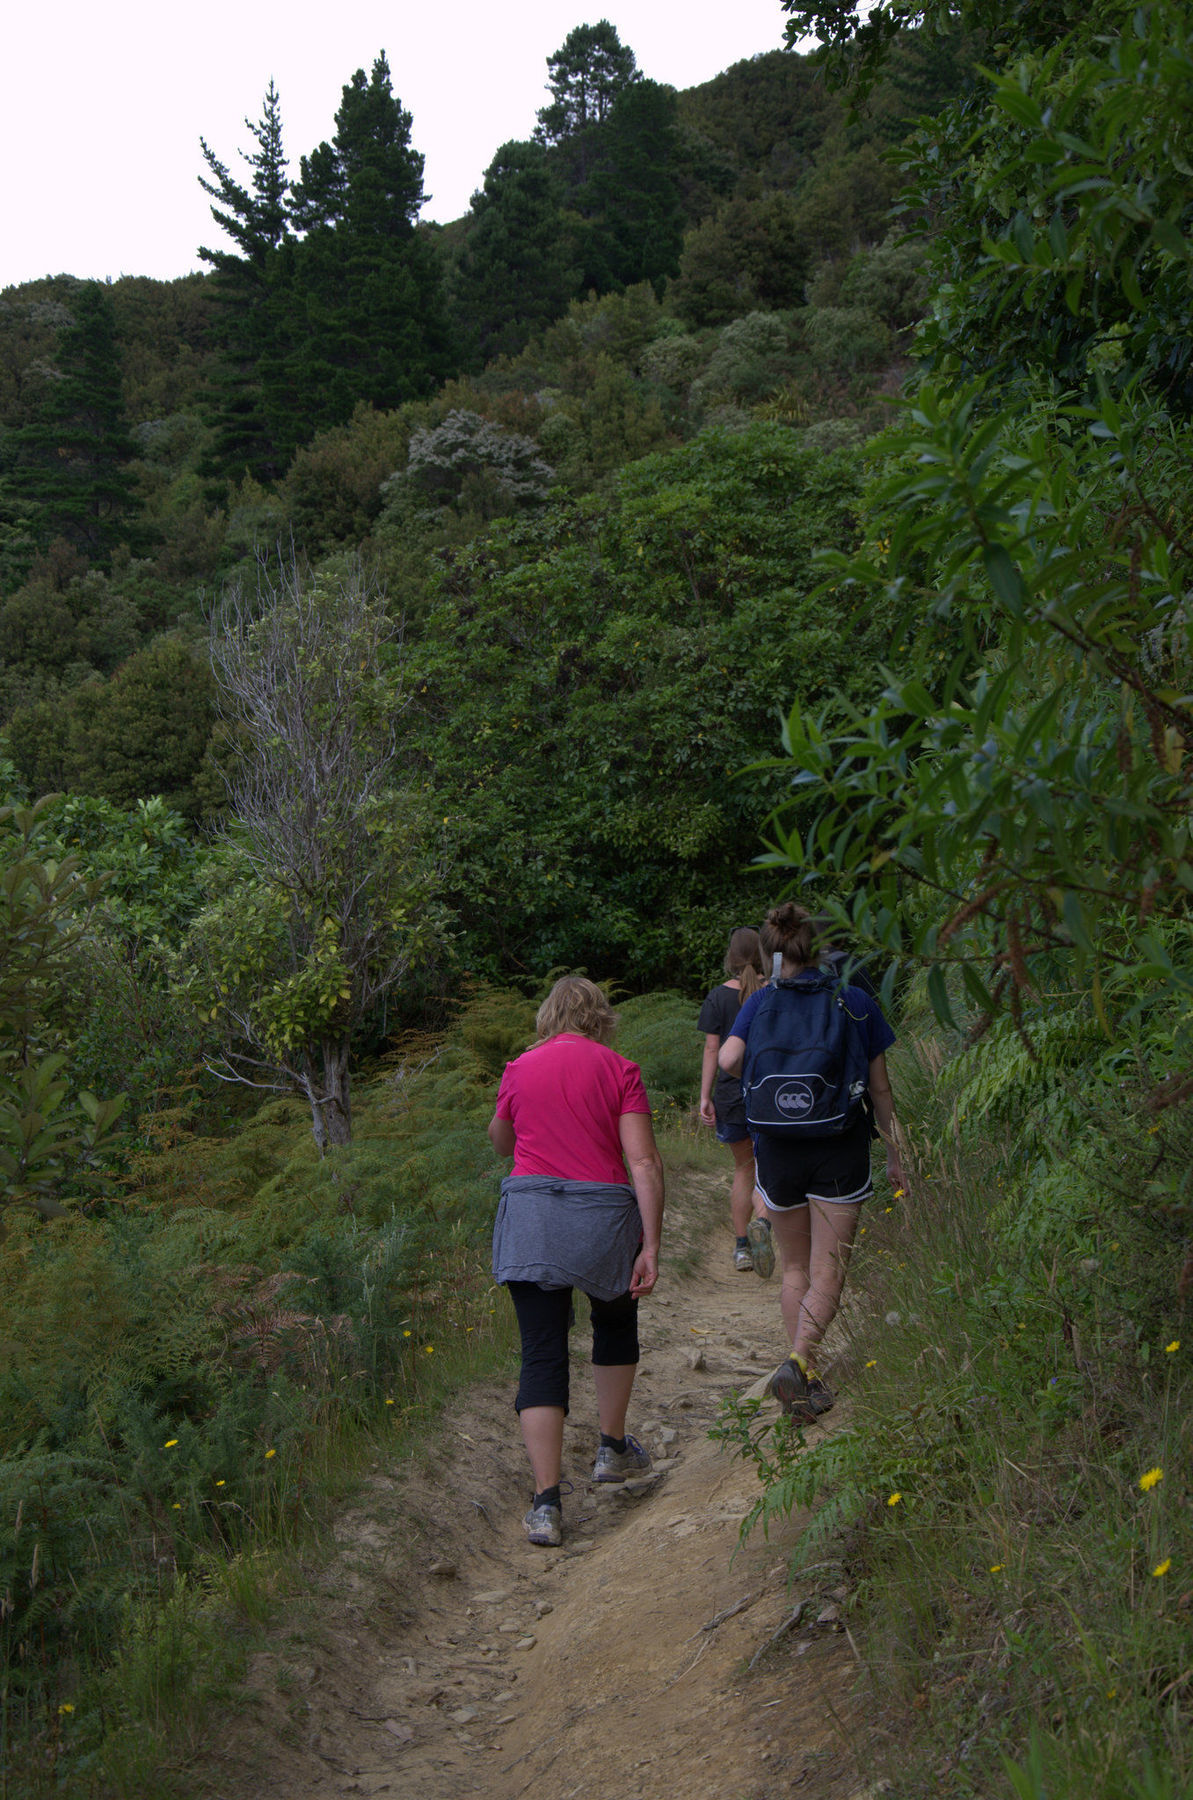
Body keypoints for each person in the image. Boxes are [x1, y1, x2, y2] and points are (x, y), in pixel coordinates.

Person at [488, 976, 666, 1547]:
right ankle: (611, 1449)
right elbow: (643, 1162)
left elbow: (501, 1140)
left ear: (547, 1015)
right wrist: (652, 1243)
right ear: (600, 1017)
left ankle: (545, 1504)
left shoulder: (519, 1067)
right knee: (614, 1322)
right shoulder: (620, 1069)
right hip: (602, 1217)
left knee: (542, 1351)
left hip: (534, 1215)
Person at [718, 902, 905, 1424]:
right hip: (838, 1145)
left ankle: (803, 1382)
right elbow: (881, 1089)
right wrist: (895, 1153)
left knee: (795, 1268)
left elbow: (729, 1061)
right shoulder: (856, 1001)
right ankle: (800, 1362)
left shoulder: (759, 1003)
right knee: (829, 1269)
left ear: (773, 950)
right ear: (822, 947)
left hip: (777, 1148)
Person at [697, 926, 774, 1277]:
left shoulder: (717, 997)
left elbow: (713, 1049)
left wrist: (705, 1095)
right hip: (769, 1090)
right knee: (770, 1164)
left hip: (730, 1094)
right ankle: (765, 1225)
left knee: (744, 1168)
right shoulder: (772, 992)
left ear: (730, 957)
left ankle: (742, 1246)